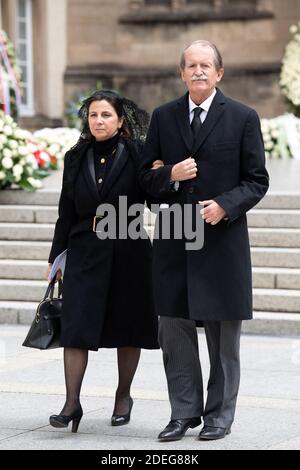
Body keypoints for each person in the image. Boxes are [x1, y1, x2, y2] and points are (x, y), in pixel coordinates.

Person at [139, 40, 269, 441]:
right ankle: (183, 413)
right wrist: (170, 174)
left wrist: (225, 206)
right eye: (191, 65)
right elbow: (145, 179)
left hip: (222, 243)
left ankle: (218, 417)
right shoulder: (163, 117)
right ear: (182, 73)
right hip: (175, 240)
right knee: (173, 330)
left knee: (222, 339)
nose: (198, 71)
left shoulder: (243, 118)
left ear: (219, 73)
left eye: (205, 65)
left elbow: (257, 181)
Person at [47, 90, 158, 433]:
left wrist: (164, 174)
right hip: (84, 248)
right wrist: (56, 258)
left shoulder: (139, 153)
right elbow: (66, 209)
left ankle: (123, 396)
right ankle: (71, 403)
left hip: (129, 248)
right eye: (93, 115)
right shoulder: (75, 156)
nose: (99, 121)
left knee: (128, 327)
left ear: (121, 120)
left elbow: (154, 197)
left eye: (106, 115)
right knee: (76, 326)